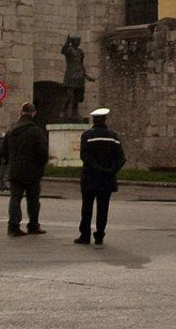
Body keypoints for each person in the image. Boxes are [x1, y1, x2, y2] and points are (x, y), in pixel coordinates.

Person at [75, 107, 126, 246]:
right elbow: (121, 158)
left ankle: (85, 235)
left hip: (90, 177)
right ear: (105, 120)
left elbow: (84, 156)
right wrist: (111, 170)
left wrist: (97, 168)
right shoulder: (113, 136)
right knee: (103, 208)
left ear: (93, 120)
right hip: (107, 179)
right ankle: (99, 236)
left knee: (87, 207)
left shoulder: (87, 136)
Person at [6, 101, 49, 237]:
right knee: (33, 200)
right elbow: (43, 153)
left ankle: (13, 226)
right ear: (33, 113)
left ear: (21, 113)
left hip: (15, 170)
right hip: (32, 172)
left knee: (15, 199)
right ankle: (33, 225)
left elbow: (3, 151)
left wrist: (10, 161)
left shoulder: (11, 131)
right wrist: (41, 165)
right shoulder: (36, 131)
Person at [62, 35, 96, 119]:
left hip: (79, 77)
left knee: (77, 97)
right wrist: (67, 42)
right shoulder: (69, 49)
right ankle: (63, 111)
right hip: (70, 75)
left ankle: (74, 113)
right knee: (69, 95)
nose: (79, 43)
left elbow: (81, 65)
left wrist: (87, 76)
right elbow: (63, 51)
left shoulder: (80, 52)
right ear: (73, 41)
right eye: (77, 41)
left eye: (79, 41)